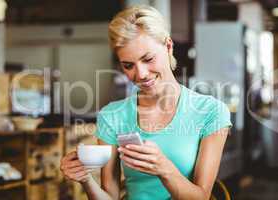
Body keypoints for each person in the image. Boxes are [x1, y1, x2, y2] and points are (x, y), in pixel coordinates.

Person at [60, 5, 232, 200]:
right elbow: (110, 196)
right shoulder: (112, 116)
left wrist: (163, 168)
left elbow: (201, 197)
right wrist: (85, 179)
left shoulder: (211, 112)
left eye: (148, 58)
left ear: (168, 46)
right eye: (128, 65)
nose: (140, 74)